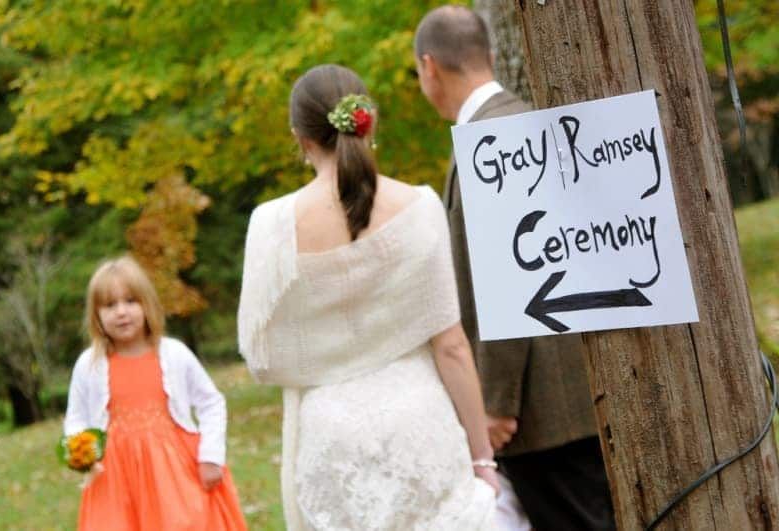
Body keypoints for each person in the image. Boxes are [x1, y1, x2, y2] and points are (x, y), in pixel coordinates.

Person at [237, 64, 499, 530]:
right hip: (420, 423)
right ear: (369, 120)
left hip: (330, 435)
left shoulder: (270, 226)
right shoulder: (420, 208)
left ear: (300, 137)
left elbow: (259, 354)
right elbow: (452, 345)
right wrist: (483, 458)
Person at [414, 6, 616, 531]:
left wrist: (497, 402)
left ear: (429, 67)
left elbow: (515, 279)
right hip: (578, 391)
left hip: (541, 409)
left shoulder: (489, 143)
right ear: (490, 55)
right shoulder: (528, 120)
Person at [64, 256, 248, 530]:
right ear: (96, 315)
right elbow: (76, 417)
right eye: (110, 305)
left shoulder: (174, 353)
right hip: (115, 479)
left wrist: (210, 456)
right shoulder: (89, 364)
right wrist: (81, 449)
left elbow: (211, 403)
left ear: (147, 304)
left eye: (130, 301)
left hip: (173, 472)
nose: (121, 312)